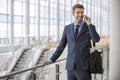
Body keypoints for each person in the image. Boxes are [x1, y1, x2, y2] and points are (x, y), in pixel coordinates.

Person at [44, 4, 100, 80]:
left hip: (84, 67)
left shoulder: (89, 27)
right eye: (78, 12)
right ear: (73, 13)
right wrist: (51, 59)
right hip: (70, 67)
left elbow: (96, 39)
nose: (80, 15)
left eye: (82, 12)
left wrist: (89, 24)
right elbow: (61, 46)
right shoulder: (67, 28)